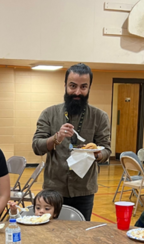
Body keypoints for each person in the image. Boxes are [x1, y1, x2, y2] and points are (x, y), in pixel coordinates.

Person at [32, 63, 111, 221]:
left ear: (89, 88)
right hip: (53, 189)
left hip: (84, 190)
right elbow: (37, 146)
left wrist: (97, 154)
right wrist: (56, 138)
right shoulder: (49, 113)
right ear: (65, 85)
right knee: (51, 234)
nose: (77, 92)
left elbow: (106, 150)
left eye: (83, 87)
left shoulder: (99, 117)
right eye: (72, 86)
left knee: (80, 236)